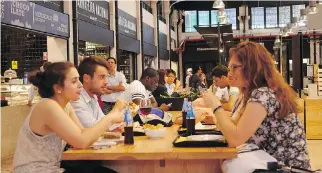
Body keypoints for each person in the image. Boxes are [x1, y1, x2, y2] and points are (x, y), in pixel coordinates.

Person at [202, 42, 310, 169]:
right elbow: (233, 126)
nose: (229, 73)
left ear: (252, 67)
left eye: (234, 67)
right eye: (229, 68)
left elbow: (235, 139)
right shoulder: (249, 94)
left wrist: (216, 105)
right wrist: (217, 117)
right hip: (268, 164)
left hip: (283, 169)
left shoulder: (263, 94)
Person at [13, 62, 125, 173]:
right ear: (58, 88)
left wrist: (110, 131)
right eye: (74, 81)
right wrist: (110, 117)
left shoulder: (65, 105)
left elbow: (82, 131)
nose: (80, 85)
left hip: (54, 168)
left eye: (79, 80)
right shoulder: (47, 106)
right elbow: (82, 141)